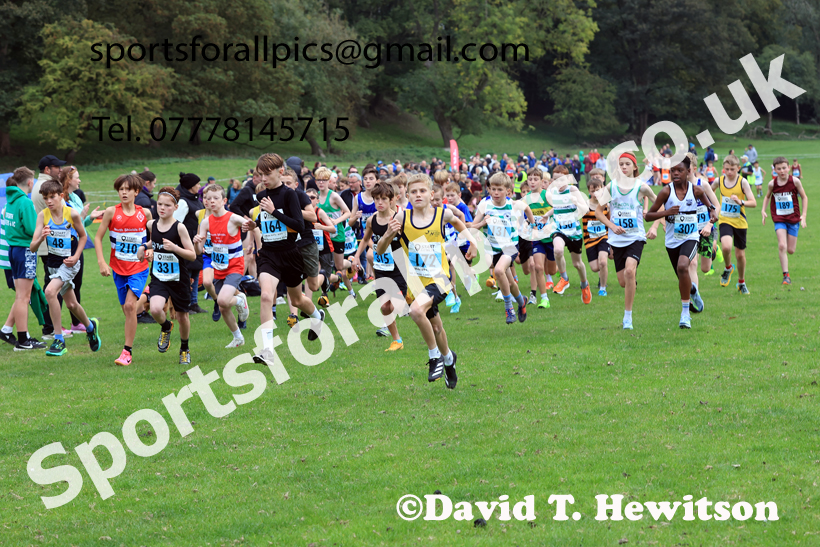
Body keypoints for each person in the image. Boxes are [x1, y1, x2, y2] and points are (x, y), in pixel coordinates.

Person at [376, 173, 477, 389]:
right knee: (437, 328)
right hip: (416, 282)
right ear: (407, 195)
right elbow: (380, 249)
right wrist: (387, 236)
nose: (418, 195)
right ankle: (449, 359)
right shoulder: (402, 218)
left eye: (422, 191)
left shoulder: (442, 214)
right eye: (413, 192)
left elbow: (459, 222)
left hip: (440, 278)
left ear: (431, 194)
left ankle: (434, 357)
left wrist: (472, 242)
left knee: (415, 311)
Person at [245, 153, 325, 367]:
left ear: (280, 171)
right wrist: (255, 225)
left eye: (267, 174)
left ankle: (317, 317)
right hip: (269, 254)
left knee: (297, 301)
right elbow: (268, 223)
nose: (263, 178)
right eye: (260, 174)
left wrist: (274, 212)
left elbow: (299, 225)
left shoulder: (290, 195)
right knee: (265, 296)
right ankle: (268, 351)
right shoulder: (262, 195)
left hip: (290, 253)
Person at [29, 179, 100, 356]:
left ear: (61, 196)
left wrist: (76, 257)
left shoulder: (72, 214)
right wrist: (41, 238)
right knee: (71, 304)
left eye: (52, 197)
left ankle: (59, 340)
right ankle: (90, 327)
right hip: (53, 264)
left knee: (50, 292)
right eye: (45, 198)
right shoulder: (43, 216)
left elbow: (83, 237)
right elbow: (32, 247)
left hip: (70, 263)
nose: (49, 201)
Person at [645, 157, 718, 329]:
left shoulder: (697, 190)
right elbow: (648, 215)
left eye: (680, 170)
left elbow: (711, 209)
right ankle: (693, 290)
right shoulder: (665, 192)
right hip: (672, 240)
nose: (676, 173)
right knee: (682, 276)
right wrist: (667, 212)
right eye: (673, 171)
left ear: (688, 172)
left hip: (691, 237)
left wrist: (712, 217)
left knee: (683, 266)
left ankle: (685, 314)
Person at [93, 174, 153, 366]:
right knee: (127, 311)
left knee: (129, 307)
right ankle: (147, 297)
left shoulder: (145, 213)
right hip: (118, 268)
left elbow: (153, 238)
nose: (124, 192)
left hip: (139, 267)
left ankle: (127, 352)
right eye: (121, 189)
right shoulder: (111, 212)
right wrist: (102, 262)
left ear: (136, 192)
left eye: (128, 189)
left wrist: (150, 251)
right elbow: (97, 237)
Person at [595, 152, 659, 330]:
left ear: (634, 167)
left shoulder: (642, 187)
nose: (623, 167)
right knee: (623, 281)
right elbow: (599, 211)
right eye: (621, 164)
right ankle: (631, 284)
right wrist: (612, 226)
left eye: (627, 164)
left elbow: (659, 205)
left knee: (630, 272)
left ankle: (628, 317)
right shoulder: (611, 187)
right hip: (616, 239)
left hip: (636, 237)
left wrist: (653, 227)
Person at [133, 187, 196, 364]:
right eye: (159, 204)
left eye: (167, 205)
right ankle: (166, 327)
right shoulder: (152, 224)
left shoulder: (180, 228)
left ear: (175, 207)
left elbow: (191, 254)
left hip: (178, 279)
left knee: (183, 316)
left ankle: (184, 348)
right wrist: (145, 247)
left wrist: (175, 248)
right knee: (154, 309)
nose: (162, 208)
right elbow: (156, 241)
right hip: (159, 277)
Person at [472, 173, 534, 324]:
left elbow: (527, 208)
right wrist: (481, 225)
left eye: (499, 189)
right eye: (493, 189)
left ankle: (509, 308)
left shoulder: (513, 204)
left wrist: (532, 223)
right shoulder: (485, 205)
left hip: (510, 246)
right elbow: (473, 225)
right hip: (493, 249)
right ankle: (521, 301)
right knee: (510, 282)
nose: (495, 193)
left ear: (508, 190)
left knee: (498, 271)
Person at [194, 184, 250, 347]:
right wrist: (197, 242)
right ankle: (238, 338)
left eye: (215, 198)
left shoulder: (233, 218)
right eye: (208, 198)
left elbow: (246, 222)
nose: (211, 201)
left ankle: (240, 300)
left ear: (224, 200)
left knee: (223, 301)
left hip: (235, 266)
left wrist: (249, 225)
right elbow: (199, 251)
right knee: (222, 306)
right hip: (218, 265)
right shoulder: (205, 222)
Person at [354, 181, 406, 350]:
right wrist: (356, 257)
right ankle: (397, 340)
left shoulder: (400, 217)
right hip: (381, 267)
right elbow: (364, 239)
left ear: (392, 200)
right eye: (376, 199)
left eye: (384, 198)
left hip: (400, 265)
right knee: (384, 306)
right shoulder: (371, 220)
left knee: (399, 305)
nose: (380, 202)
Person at [4, 167, 48, 351]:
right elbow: (32, 229)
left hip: (13, 250)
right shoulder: (25, 202)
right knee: (24, 296)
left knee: (21, 295)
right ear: (30, 182)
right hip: (25, 251)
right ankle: (23, 340)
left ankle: (15, 332)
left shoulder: (11, 200)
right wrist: (43, 229)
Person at [59, 166, 102, 333]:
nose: (80, 180)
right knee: (61, 285)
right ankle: (55, 325)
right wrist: (83, 215)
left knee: (77, 284)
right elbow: (67, 225)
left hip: (77, 244)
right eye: (77, 177)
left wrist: (90, 217)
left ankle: (76, 323)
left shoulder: (76, 197)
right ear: (68, 180)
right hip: (66, 247)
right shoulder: (61, 199)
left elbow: (80, 225)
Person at [711, 154, 757, 294]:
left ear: (738, 168)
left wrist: (740, 202)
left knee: (740, 255)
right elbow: (708, 192)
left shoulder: (742, 182)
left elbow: (753, 202)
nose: (729, 172)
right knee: (726, 247)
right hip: (725, 219)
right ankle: (728, 267)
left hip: (740, 222)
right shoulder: (719, 181)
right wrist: (711, 205)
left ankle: (741, 282)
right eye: (726, 169)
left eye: (732, 169)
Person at [545, 170, 592, 304]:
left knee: (577, 264)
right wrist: (547, 215)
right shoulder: (554, 192)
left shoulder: (573, 190)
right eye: (555, 180)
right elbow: (558, 206)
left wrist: (576, 202)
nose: (558, 183)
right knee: (558, 250)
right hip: (558, 228)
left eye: (561, 180)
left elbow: (586, 209)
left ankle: (584, 285)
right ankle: (564, 278)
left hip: (574, 231)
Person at [762, 156, 808, 285]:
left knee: (791, 250)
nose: (782, 171)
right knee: (782, 245)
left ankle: (788, 243)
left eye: (784, 168)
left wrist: (803, 215)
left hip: (793, 219)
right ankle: (786, 276)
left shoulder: (795, 181)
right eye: (779, 169)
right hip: (779, 218)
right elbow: (767, 197)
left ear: (789, 168)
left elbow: (804, 197)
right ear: (774, 170)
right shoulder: (772, 184)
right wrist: (763, 210)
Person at [316, 171, 354, 297]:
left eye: (324, 180)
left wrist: (336, 221)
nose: (321, 182)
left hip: (336, 234)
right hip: (322, 237)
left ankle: (351, 262)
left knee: (338, 265)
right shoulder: (314, 197)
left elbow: (348, 212)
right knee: (323, 267)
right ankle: (324, 295)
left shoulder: (334, 196)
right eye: (318, 180)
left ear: (329, 182)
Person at [174, 173, 205, 314]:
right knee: (186, 272)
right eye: (197, 184)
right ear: (191, 186)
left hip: (197, 239)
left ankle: (194, 303)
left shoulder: (196, 200)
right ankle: (185, 303)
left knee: (196, 269)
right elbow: (176, 222)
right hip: (186, 241)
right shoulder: (183, 202)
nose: (199, 186)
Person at [582, 170, 610, 296]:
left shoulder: (606, 206)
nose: (595, 193)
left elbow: (609, 221)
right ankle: (603, 274)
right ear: (589, 192)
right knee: (595, 267)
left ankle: (602, 288)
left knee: (603, 262)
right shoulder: (584, 206)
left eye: (598, 190)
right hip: (589, 240)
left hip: (603, 237)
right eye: (592, 191)